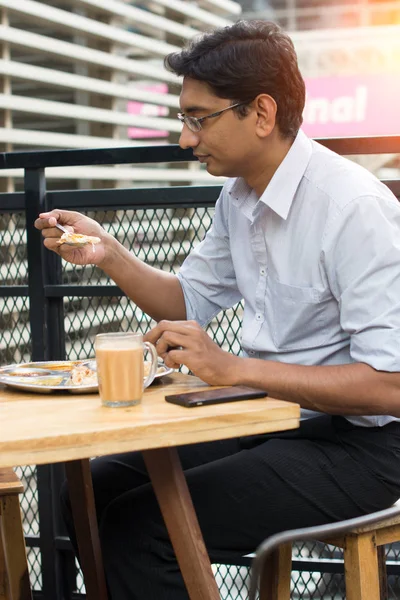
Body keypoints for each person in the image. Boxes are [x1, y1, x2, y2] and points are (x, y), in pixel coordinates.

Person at [35, 20, 400, 600]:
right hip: (272, 418)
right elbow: (188, 298)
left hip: (367, 445)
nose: (185, 138)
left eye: (197, 118)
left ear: (260, 113)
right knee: (91, 489)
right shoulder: (239, 196)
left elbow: (389, 386)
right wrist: (107, 252)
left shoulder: (352, 207)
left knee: (142, 528)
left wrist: (235, 369)